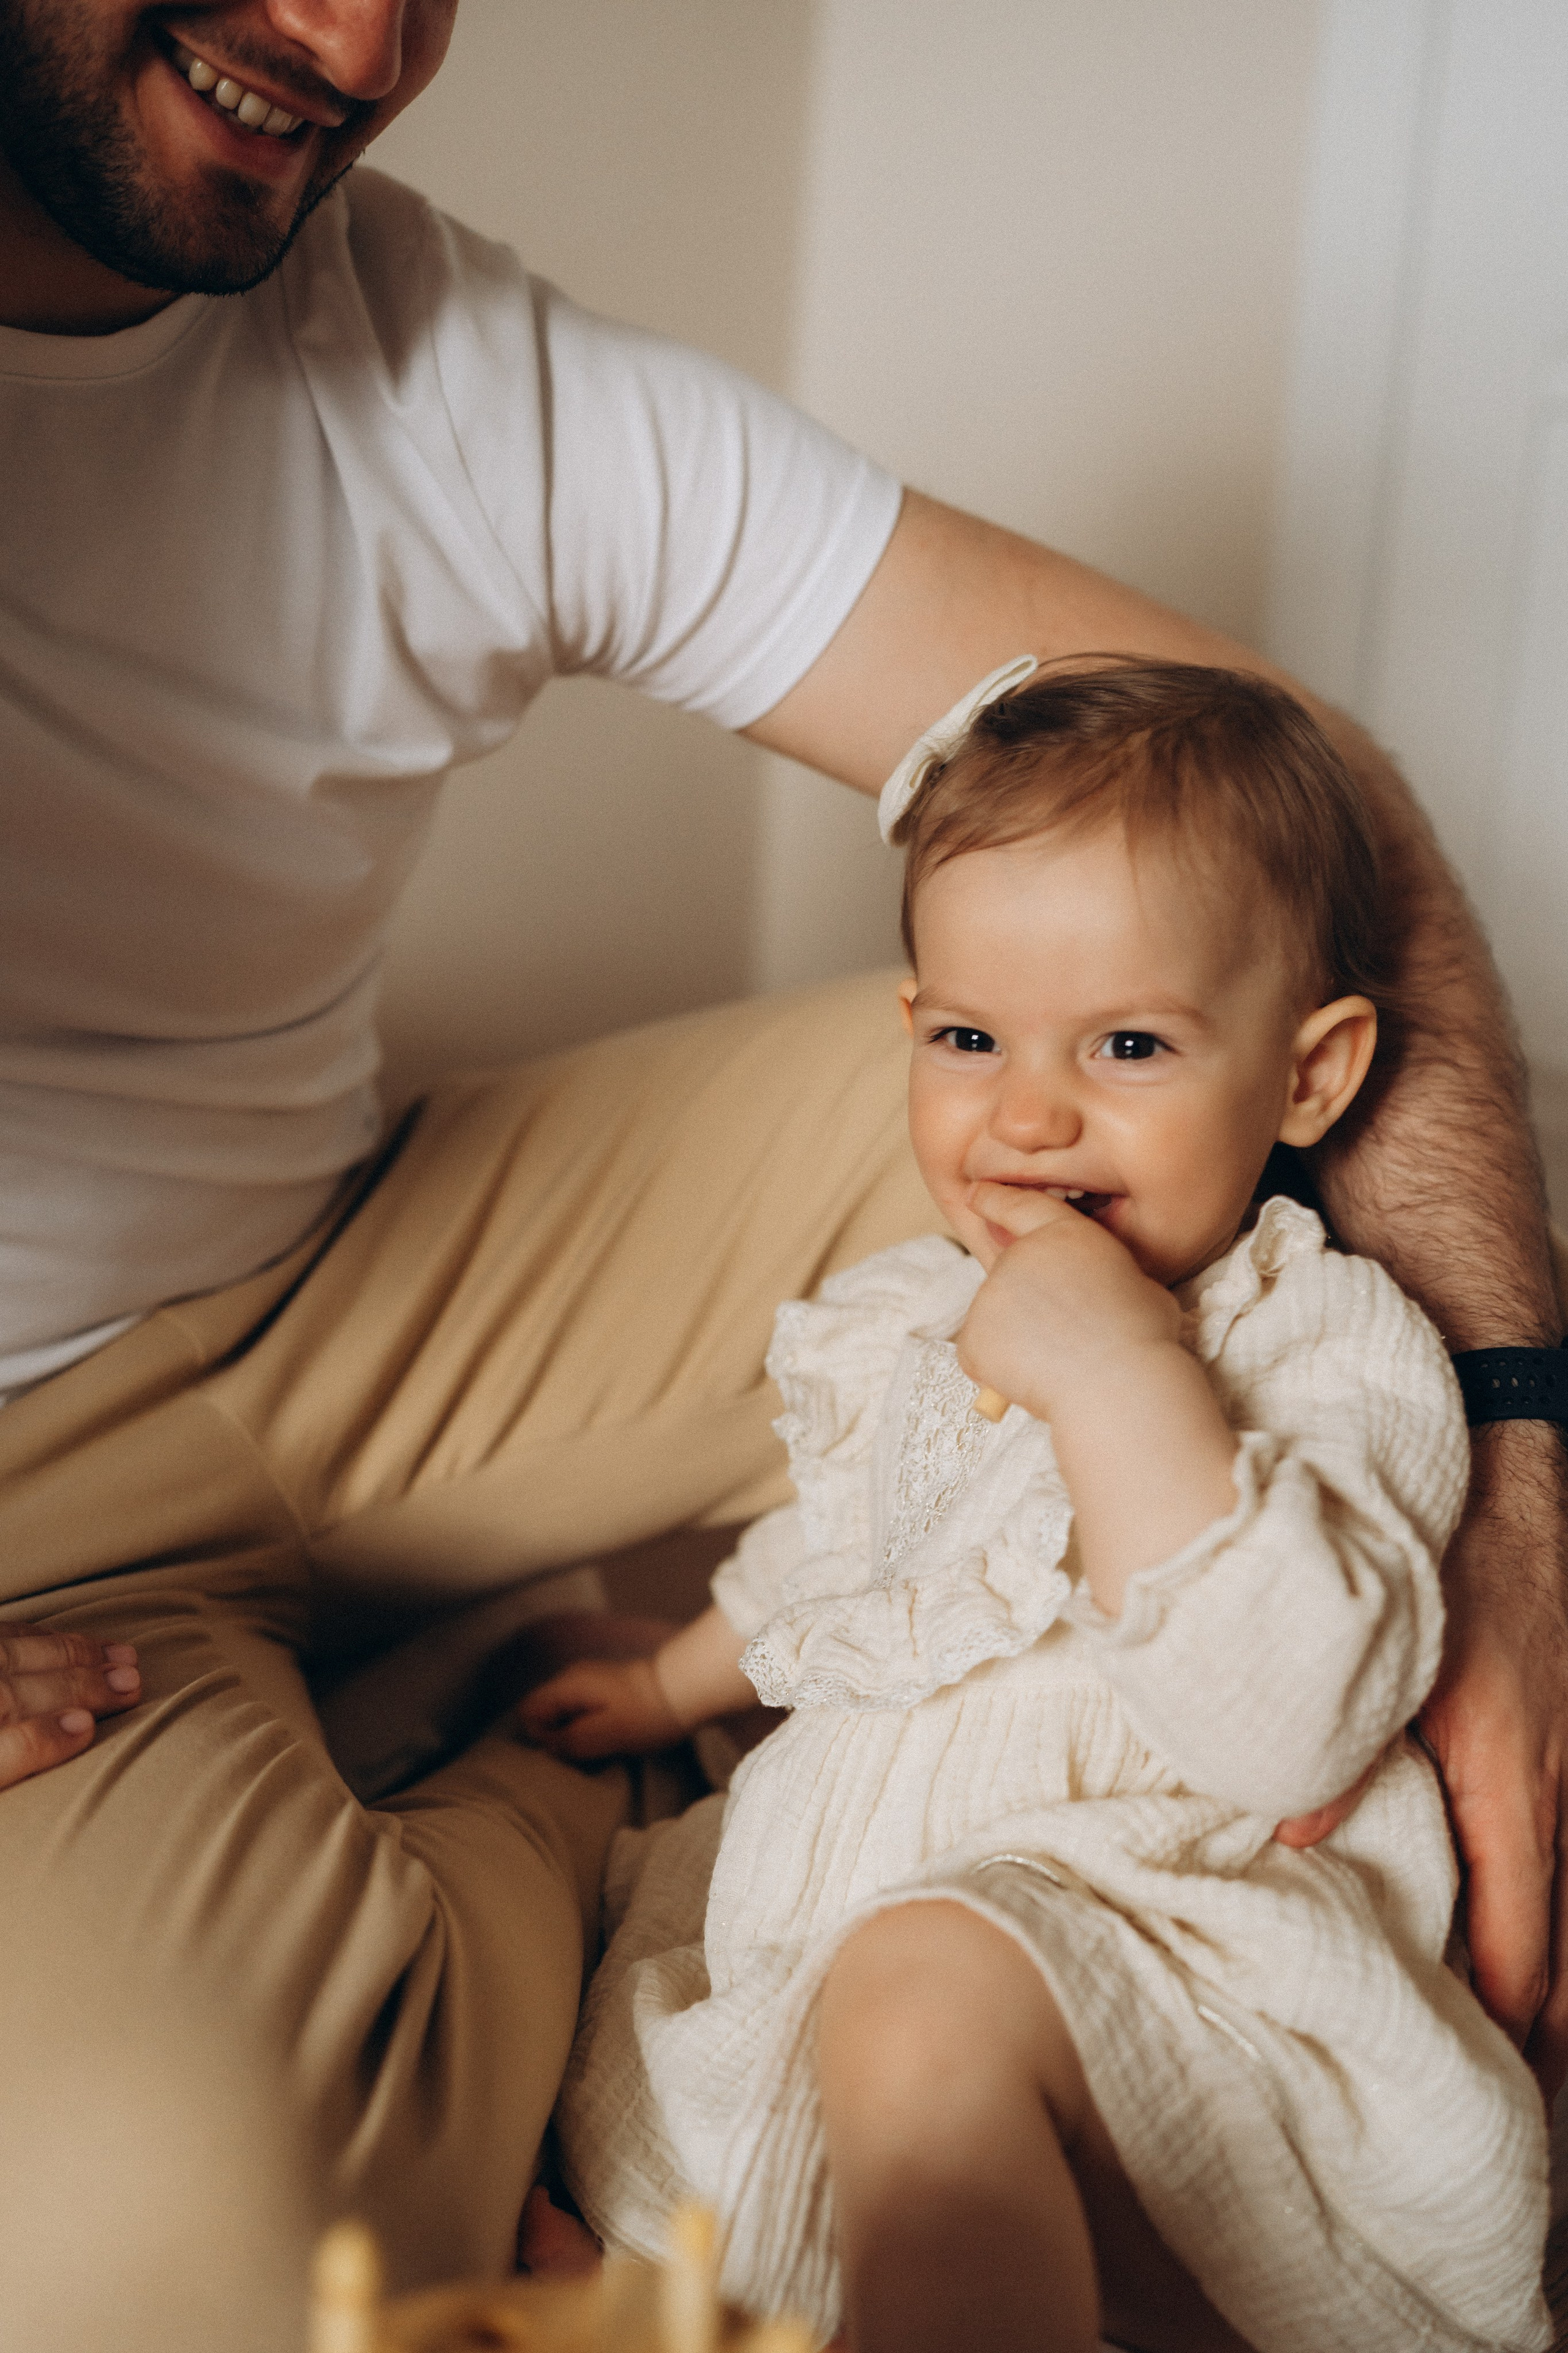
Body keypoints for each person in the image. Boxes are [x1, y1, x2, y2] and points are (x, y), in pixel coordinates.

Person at [0, 4, 1563, 2346]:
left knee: (1144, 1036)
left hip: (352, 1289)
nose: (355, 36)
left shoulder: (433, 362)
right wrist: (693, 1670)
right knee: (173, 2259)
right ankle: (562, 1843)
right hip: (39, 1511)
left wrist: (1515, 1486)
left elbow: (1293, 783)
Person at [524, 660, 1552, 2353]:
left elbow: (1295, 1720)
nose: (1026, 1113)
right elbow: (850, 1552)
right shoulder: (905, 1317)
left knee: (924, 1985)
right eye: (969, 1039)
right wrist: (670, 1679)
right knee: (662, 2021)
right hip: (869, 1948)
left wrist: (1120, 1374)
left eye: (1129, 1045)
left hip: (1189, 2002)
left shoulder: (1327, 1343)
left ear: (1309, 1076)